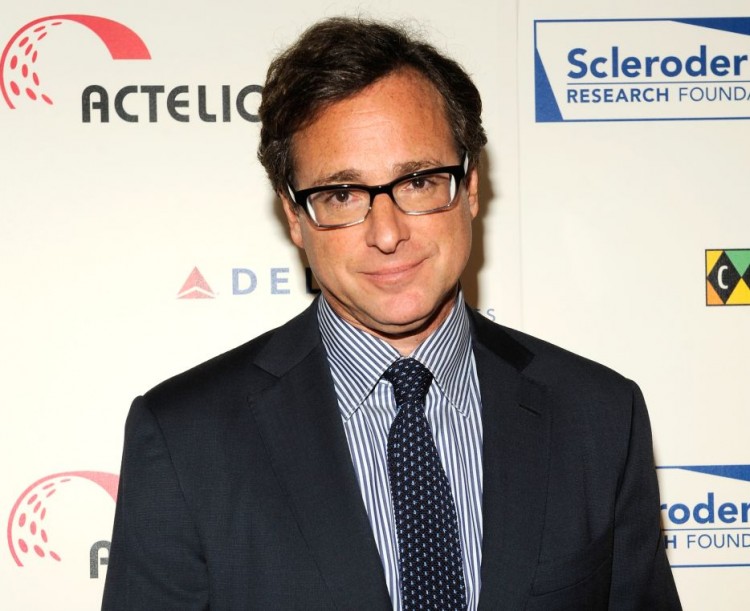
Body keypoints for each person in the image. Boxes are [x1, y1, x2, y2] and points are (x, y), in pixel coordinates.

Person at [102, 16, 681, 610]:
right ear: (295, 217)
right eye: (341, 194)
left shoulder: (599, 416)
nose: (387, 233)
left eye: (419, 181)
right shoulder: (184, 438)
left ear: (470, 188)